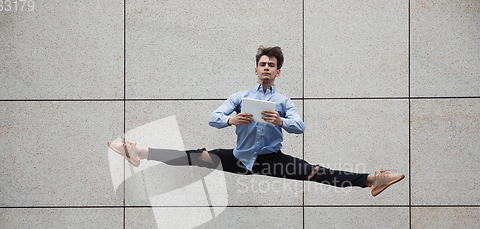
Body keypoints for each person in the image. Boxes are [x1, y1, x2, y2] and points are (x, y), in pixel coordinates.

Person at [108, 46, 404, 196]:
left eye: (271, 66)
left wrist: (281, 122)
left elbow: (300, 127)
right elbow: (214, 118)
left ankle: (370, 181)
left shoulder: (284, 102)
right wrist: (232, 120)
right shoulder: (239, 96)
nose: (266, 68)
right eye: (262, 64)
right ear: (256, 69)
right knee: (193, 157)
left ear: (278, 72)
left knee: (316, 172)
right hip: (238, 158)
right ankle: (138, 152)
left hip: (272, 160)